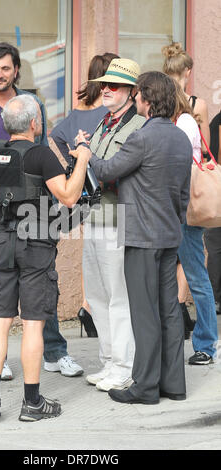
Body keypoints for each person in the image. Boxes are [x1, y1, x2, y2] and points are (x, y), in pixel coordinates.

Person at [0, 94, 91, 421]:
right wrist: (83, 160)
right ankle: (32, 403)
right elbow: (68, 196)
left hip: (0, 243)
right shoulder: (41, 156)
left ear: (7, 125)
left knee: (0, 321)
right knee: (33, 324)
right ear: (35, 124)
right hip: (35, 246)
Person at [72, 71, 192, 404]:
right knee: (168, 310)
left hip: (141, 235)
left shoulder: (143, 136)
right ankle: (173, 385)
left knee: (143, 312)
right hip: (169, 234)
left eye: (138, 95)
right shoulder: (180, 137)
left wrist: (85, 151)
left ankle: (144, 387)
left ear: (146, 100)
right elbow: (184, 193)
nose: (136, 99)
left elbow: (108, 170)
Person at [0, 42, 83, 378]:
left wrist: (50, 206)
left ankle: (54, 352)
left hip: (34, 207)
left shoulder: (31, 104)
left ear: (16, 71)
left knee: (40, 285)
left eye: (5, 68)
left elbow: (40, 157)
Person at [74, 58, 145, 392]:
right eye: (103, 84)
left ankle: (123, 366)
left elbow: (112, 169)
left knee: (118, 297)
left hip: (118, 218)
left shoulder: (138, 127)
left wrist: (87, 154)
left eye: (113, 85)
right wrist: (83, 152)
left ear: (130, 92)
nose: (105, 89)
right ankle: (108, 361)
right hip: (94, 217)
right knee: (98, 295)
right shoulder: (105, 122)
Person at [49, 52, 119, 340]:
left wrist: (74, 160)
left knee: (89, 250)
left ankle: (86, 305)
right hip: (108, 189)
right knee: (107, 256)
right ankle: (96, 309)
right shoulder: (110, 110)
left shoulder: (79, 110)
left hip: (84, 188)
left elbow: (56, 133)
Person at [163, 44, 218, 364]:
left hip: (184, 205)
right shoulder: (176, 118)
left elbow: (192, 159)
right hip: (171, 206)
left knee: (195, 273)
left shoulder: (183, 120)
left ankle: (207, 343)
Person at [204, 111, 221, 316]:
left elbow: (209, 155)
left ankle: (215, 298)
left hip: (215, 190)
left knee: (215, 248)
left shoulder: (216, 121)